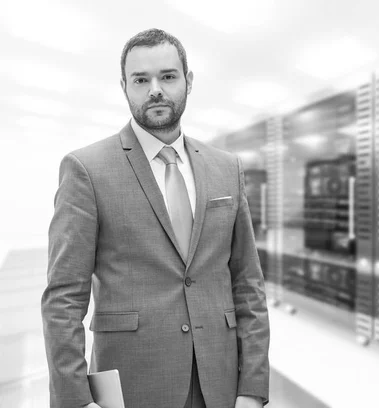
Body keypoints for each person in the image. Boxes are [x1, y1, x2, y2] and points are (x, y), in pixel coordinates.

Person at [41, 28, 270, 408]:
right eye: (141, 79)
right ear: (124, 86)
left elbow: (247, 282)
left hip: (221, 381)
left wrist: (254, 387)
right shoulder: (87, 169)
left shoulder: (226, 168)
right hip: (132, 383)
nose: (155, 90)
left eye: (167, 76)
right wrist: (76, 400)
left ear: (188, 81)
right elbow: (64, 297)